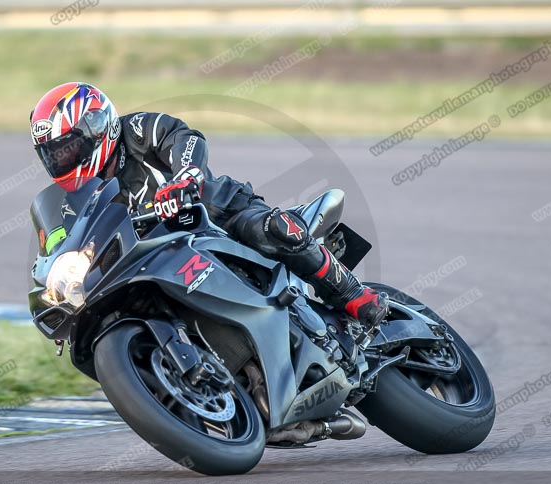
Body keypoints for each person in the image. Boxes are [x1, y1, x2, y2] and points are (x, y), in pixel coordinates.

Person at [30, 82, 388, 328]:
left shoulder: (135, 130)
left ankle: (354, 295)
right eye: (53, 154)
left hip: (216, 214)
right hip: (155, 258)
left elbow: (183, 137)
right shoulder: (75, 199)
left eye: (69, 147)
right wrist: (49, 270)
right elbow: (63, 239)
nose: (63, 160)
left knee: (275, 231)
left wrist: (185, 176)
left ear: (96, 128)